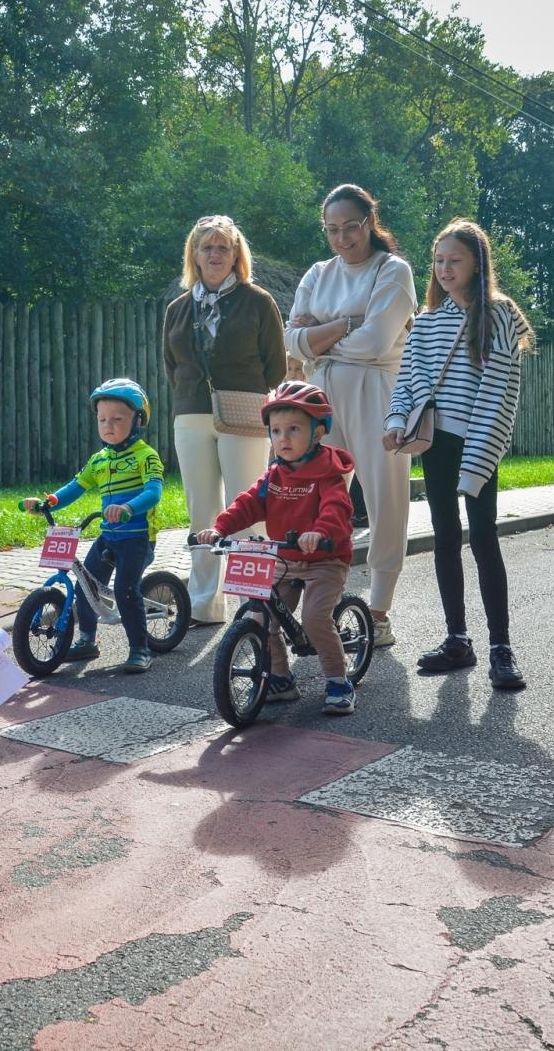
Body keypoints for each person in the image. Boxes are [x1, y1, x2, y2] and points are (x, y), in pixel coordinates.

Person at [382, 218, 532, 689]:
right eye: (439, 261)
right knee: (445, 536)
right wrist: (394, 423)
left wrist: (477, 461)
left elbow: (499, 393)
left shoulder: (501, 315)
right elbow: (408, 382)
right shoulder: (426, 323)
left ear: (477, 263)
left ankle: (501, 648)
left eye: (455, 260)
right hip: (436, 441)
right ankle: (457, 639)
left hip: (480, 439)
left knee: (484, 537)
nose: (445, 269)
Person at [287, 184, 417, 649]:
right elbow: (290, 341)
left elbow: (376, 343)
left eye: (351, 227)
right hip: (318, 395)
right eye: (332, 229)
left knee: (385, 497)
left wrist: (320, 334)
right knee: (319, 496)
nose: (342, 238)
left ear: (370, 221)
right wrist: (348, 324)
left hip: (379, 393)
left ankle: (378, 609)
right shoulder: (318, 273)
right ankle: (322, 598)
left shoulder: (393, 270)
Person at [196, 382, 359, 714]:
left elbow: (336, 509)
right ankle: (281, 679)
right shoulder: (273, 476)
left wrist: (319, 532)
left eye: (294, 429)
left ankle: (339, 681)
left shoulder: (327, 474)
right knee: (265, 616)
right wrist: (219, 528)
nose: (283, 438)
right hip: (285, 558)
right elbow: (246, 505)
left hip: (325, 559)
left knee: (315, 619)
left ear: (317, 433)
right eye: (276, 430)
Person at [163, 215, 287, 626]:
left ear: (236, 255)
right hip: (191, 414)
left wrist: (243, 393)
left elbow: (276, 367)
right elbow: (171, 365)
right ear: (194, 255)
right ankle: (204, 603)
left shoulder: (258, 301)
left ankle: (252, 602)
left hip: (246, 412)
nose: (215, 254)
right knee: (202, 510)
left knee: (247, 509)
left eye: (223, 248)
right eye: (207, 247)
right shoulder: (178, 309)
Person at [20, 378, 165, 673]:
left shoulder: (145, 456)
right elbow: (75, 487)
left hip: (136, 538)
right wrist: (48, 502)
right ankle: (87, 639)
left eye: (117, 419)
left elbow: (153, 492)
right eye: (102, 419)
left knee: (125, 589)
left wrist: (128, 507)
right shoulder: (99, 460)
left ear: (138, 420)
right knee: (85, 584)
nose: (108, 425)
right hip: (108, 536)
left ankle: (140, 648)